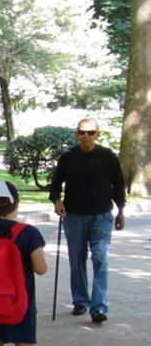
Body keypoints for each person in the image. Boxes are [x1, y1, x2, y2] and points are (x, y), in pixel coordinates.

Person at [49, 118, 126, 323]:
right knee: (77, 259)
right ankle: (81, 301)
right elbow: (55, 184)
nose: (86, 136)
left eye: (90, 132)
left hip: (101, 216)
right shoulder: (68, 157)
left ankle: (99, 307)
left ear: (97, 134)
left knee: (100, 258)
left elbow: (118, 185)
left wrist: (121, 211)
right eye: (82, 132)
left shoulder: (108, 157)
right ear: (76, 134)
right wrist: (57, 201)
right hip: (73, 216)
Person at [0, 181, 47, 346]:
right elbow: (41, 269)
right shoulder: (30, 233)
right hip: (23, 300)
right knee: (24, 340)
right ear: (17, 201)